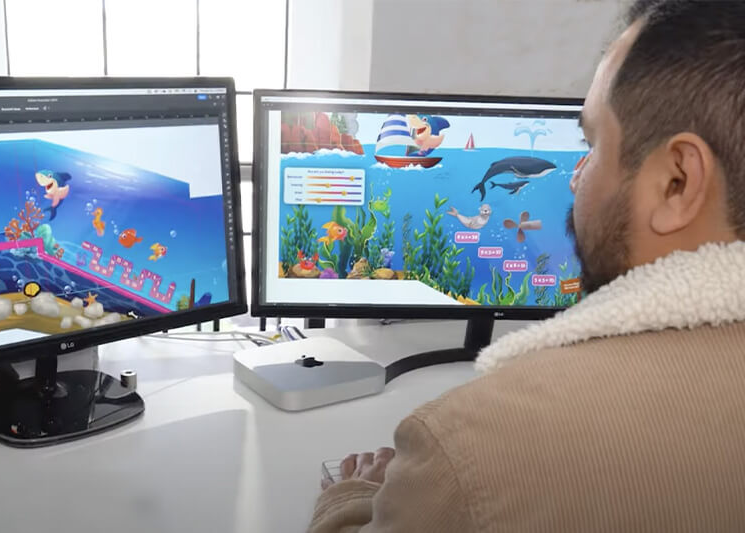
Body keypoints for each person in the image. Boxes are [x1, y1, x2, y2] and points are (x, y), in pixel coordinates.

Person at [308, 1, 745, 530]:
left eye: (592, 144)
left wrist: (351, 499)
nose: (575, 176)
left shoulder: (471, 442)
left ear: (676, 181)